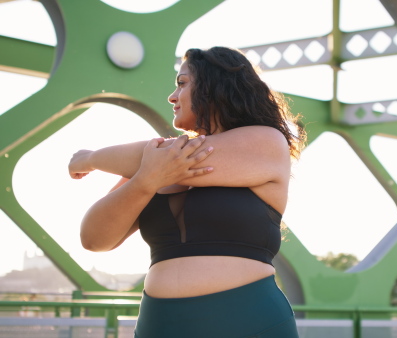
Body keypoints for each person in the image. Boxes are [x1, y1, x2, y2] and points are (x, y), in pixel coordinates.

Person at [68, 46, 305, 337]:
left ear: (216, 86)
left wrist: (90, 158)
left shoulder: (266, 141)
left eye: (182, 84)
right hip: (159, 325)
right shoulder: (155, 163)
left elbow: (166, 152)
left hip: (247, 321)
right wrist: (146, 181)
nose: (172, 96)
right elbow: (94, 239)